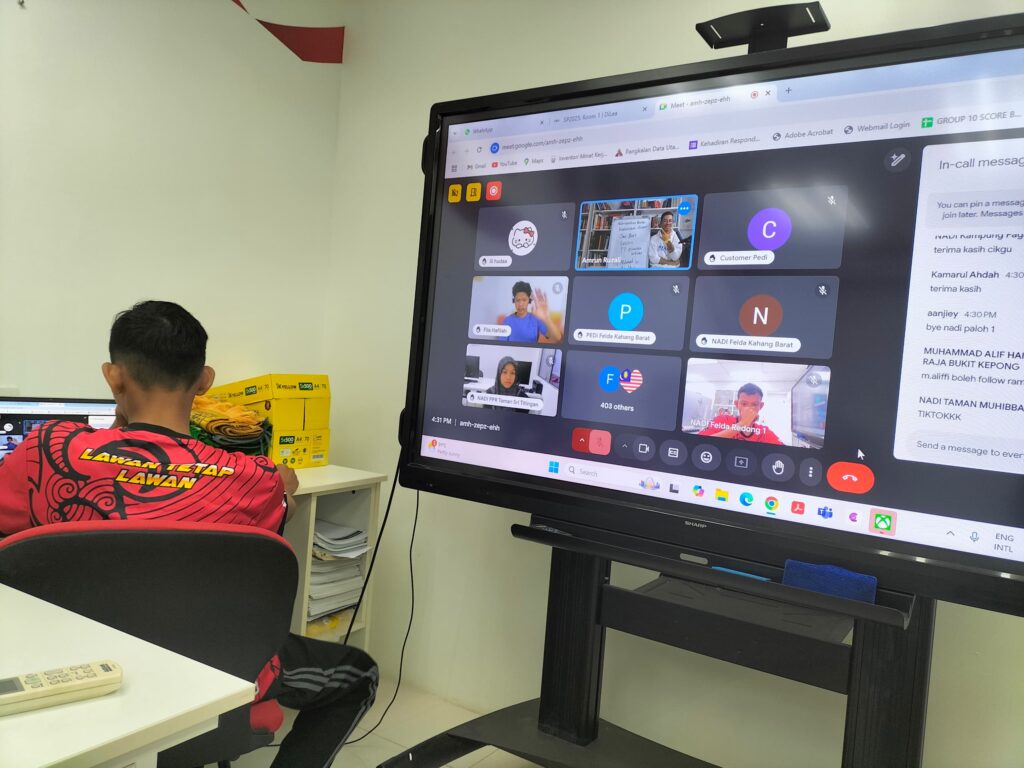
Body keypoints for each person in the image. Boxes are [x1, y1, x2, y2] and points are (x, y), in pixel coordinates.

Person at [0, 300, 377, 768]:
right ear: (205, 381)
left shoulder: (45, 451)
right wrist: (280, 486)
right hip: (212, 684)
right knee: (359, 673)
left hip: (80, 683)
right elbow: (285, 500)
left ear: (113, 377)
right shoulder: (254, 480)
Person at [696, 383, 784, 444]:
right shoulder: (723, 420)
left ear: (760, 406)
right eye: (744, 404)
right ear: (737, 404)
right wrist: (742, 424)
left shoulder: (764, 432)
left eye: (754, 404)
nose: (749, 408)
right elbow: (698, 442)